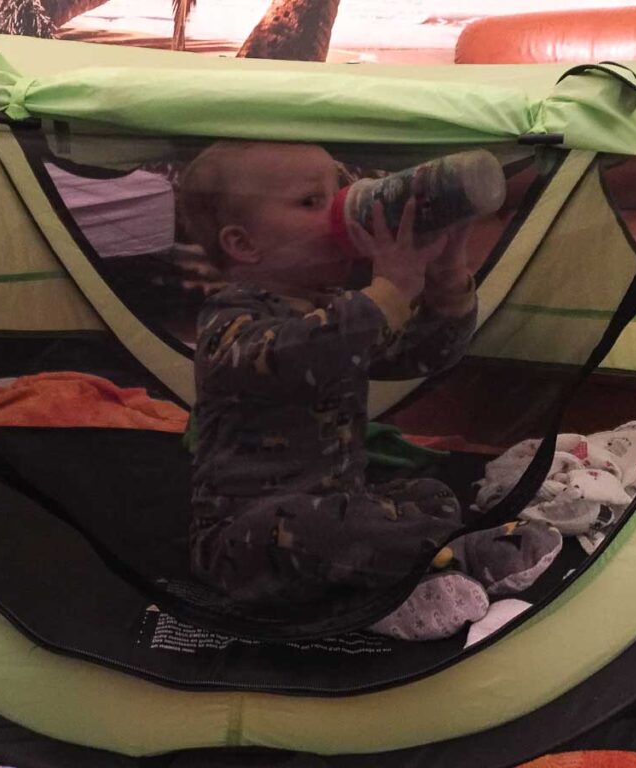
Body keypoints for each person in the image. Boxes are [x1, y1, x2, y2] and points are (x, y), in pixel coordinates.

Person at [179, 141, 487, 638]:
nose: (344, 209)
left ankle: (419, 555)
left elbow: (425, 355)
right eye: (311, 202)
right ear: (243, 244)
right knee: (316, 527)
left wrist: (446, 280)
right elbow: (302, 353)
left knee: (429, 493)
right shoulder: (229, 323)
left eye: (343, 190)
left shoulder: (337, 310)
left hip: (339, 506)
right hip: (248, 539)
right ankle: (438, 566)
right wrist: (390, 289)